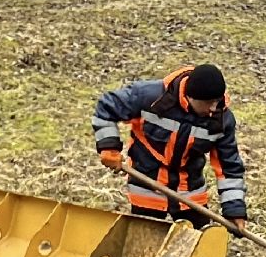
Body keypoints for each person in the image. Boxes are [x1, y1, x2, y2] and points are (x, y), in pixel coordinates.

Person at [93, 64, 248, 227]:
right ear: (190, 97)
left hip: (190, 192)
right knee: (144, 244)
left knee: (198, 243)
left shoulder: (221, 119)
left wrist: (235, 210)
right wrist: (109, 148)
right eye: (208, 102)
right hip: (147, 186)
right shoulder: (151, 97)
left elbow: (229, 168)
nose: (213, 108)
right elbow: (106, 109)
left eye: (217, 101)